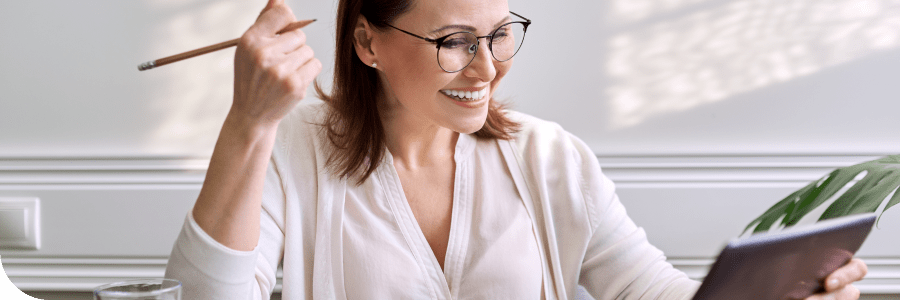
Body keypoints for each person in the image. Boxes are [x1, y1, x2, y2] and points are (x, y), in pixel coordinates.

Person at [164, 0, 869, 298]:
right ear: (367, 41)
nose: (488, 68)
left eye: (501, 32)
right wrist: (248, 124)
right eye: (453, 42)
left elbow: (652, 293)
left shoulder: (550, 158)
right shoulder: (291, 150)